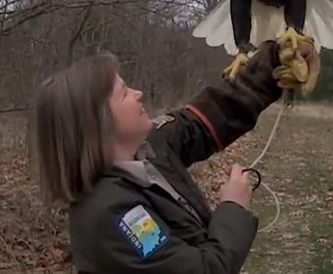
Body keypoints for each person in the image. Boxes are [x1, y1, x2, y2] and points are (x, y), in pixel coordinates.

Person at [29, 39, 315, 273]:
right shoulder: (113, 215)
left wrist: (276, 61)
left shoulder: (149, 146)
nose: (139, 94)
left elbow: (210, 116)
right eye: (124, 92)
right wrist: (233, 207)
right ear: (97, 121)